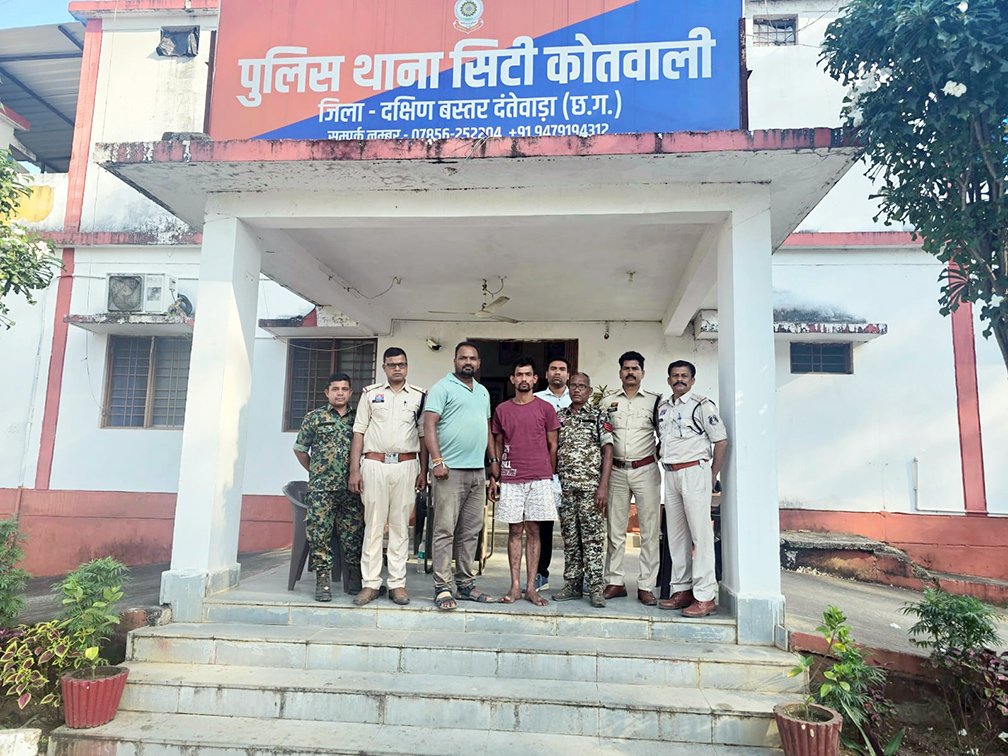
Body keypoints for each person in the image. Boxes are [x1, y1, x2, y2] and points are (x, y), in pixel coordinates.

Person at [348, 348, 428, 607]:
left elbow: (423, 435)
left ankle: (397, 584)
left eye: (401, 364)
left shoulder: (419, 396)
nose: (397, 368)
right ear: (384, 367)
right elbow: (359, 431)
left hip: (406, 465)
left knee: (400, 526)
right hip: (374, 464)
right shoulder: (371, 394)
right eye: (392, 364)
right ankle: (370, 583)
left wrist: (424, 470)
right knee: (373, 525)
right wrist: (354, 470)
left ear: (407, 366)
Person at [423, 342, 499, 611]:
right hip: (449, 471)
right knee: (444, 530)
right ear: (455, 360)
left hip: (477, 472)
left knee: (470, 531)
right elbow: (429, 424)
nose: (468, 362)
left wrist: (492, 461)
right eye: (463, 358)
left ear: (479, 363)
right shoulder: (441, 388)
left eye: (473, 358)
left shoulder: (482, 392)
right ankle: (442, 587)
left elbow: (486, 428)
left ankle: (465, 584)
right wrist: (437, 461)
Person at [656, 360, 728, 617]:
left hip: (695, 472)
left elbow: (721, 440)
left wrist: (712, 474)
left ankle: (705, 596)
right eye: (675, 375)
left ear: (692, 380)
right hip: (671, 473)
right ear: (669, 380)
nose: (679, 379)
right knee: (676, 536)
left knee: (701, 535)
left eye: (684, 375)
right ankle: (682, 589)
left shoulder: (702, 405)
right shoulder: (663, 407)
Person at [491, 357, 560, 606]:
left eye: (527, 374)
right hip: (511, 477)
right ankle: (514, 586)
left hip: (539, 477)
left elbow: (553, 444)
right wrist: (495, 475)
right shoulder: (502, 410)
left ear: (535, 379)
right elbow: (498, 443)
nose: (523, 379)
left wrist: (549, 474)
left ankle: (531, 587)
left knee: (534, 531)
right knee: (514, 531)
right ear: (512, 379)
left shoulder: (545, 408)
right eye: (519, 374)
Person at [293, 372, 364, 602]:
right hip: (322, 489)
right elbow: (300, 449)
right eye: (335, 389)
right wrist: (315, 471)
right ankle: (323, 581)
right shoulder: (315, 417)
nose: (340, 393)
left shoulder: (359, 419)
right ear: (327, 392)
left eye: (344, 389)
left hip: (351, 488)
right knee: (319, 534)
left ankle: (355, 579)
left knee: (354, 534)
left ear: (350, 392)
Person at [603, 351, 662, 606]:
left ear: (642, 373)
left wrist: (655, 456)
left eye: (635, 368)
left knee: (649, 531)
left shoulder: (655, 402)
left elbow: (665, 434)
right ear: (620, 373)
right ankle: (615, 582)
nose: (630, 372)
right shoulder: (607, 402)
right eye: (626, 368)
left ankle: (646, 585)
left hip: (646, 470)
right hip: (616, 471)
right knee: (615, 530)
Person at [552, 372, 613, 608]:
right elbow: (553, 448)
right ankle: (572, 584)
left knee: (593, 539)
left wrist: (603, 486)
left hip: (590, 489)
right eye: (574, 386)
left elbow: (608, 452)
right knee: (570, 539)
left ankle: (596, 588)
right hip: (566, 489)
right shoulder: (560, 416)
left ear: (589, 391)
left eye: (582, 386)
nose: (577, 389)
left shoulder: (599, 415)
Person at [531, 356, 571, 593]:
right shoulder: (535, 399)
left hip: (575, 471)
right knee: (543, 524)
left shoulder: (577, 399)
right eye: (553, 369)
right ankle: (540, 573)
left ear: (568, 374)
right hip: (543, 470)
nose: (558, 372)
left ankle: (578, 577)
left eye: (562, 369)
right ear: (546, 374)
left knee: (574, 526)